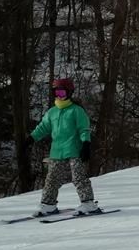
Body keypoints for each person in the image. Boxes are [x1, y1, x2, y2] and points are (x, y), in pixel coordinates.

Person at [32, 78, 100, 215]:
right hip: (57, 151)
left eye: (62, 93)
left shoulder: (76, 110)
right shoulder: (52, 112)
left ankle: (88, 203)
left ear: (69, 93)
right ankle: (48, 205)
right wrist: (31, 138)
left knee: (78, 177)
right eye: (56, 93)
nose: (59, 96)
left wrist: (86, 144)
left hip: (75, 150)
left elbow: (84, 129)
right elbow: (43, 127)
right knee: (52, 178)